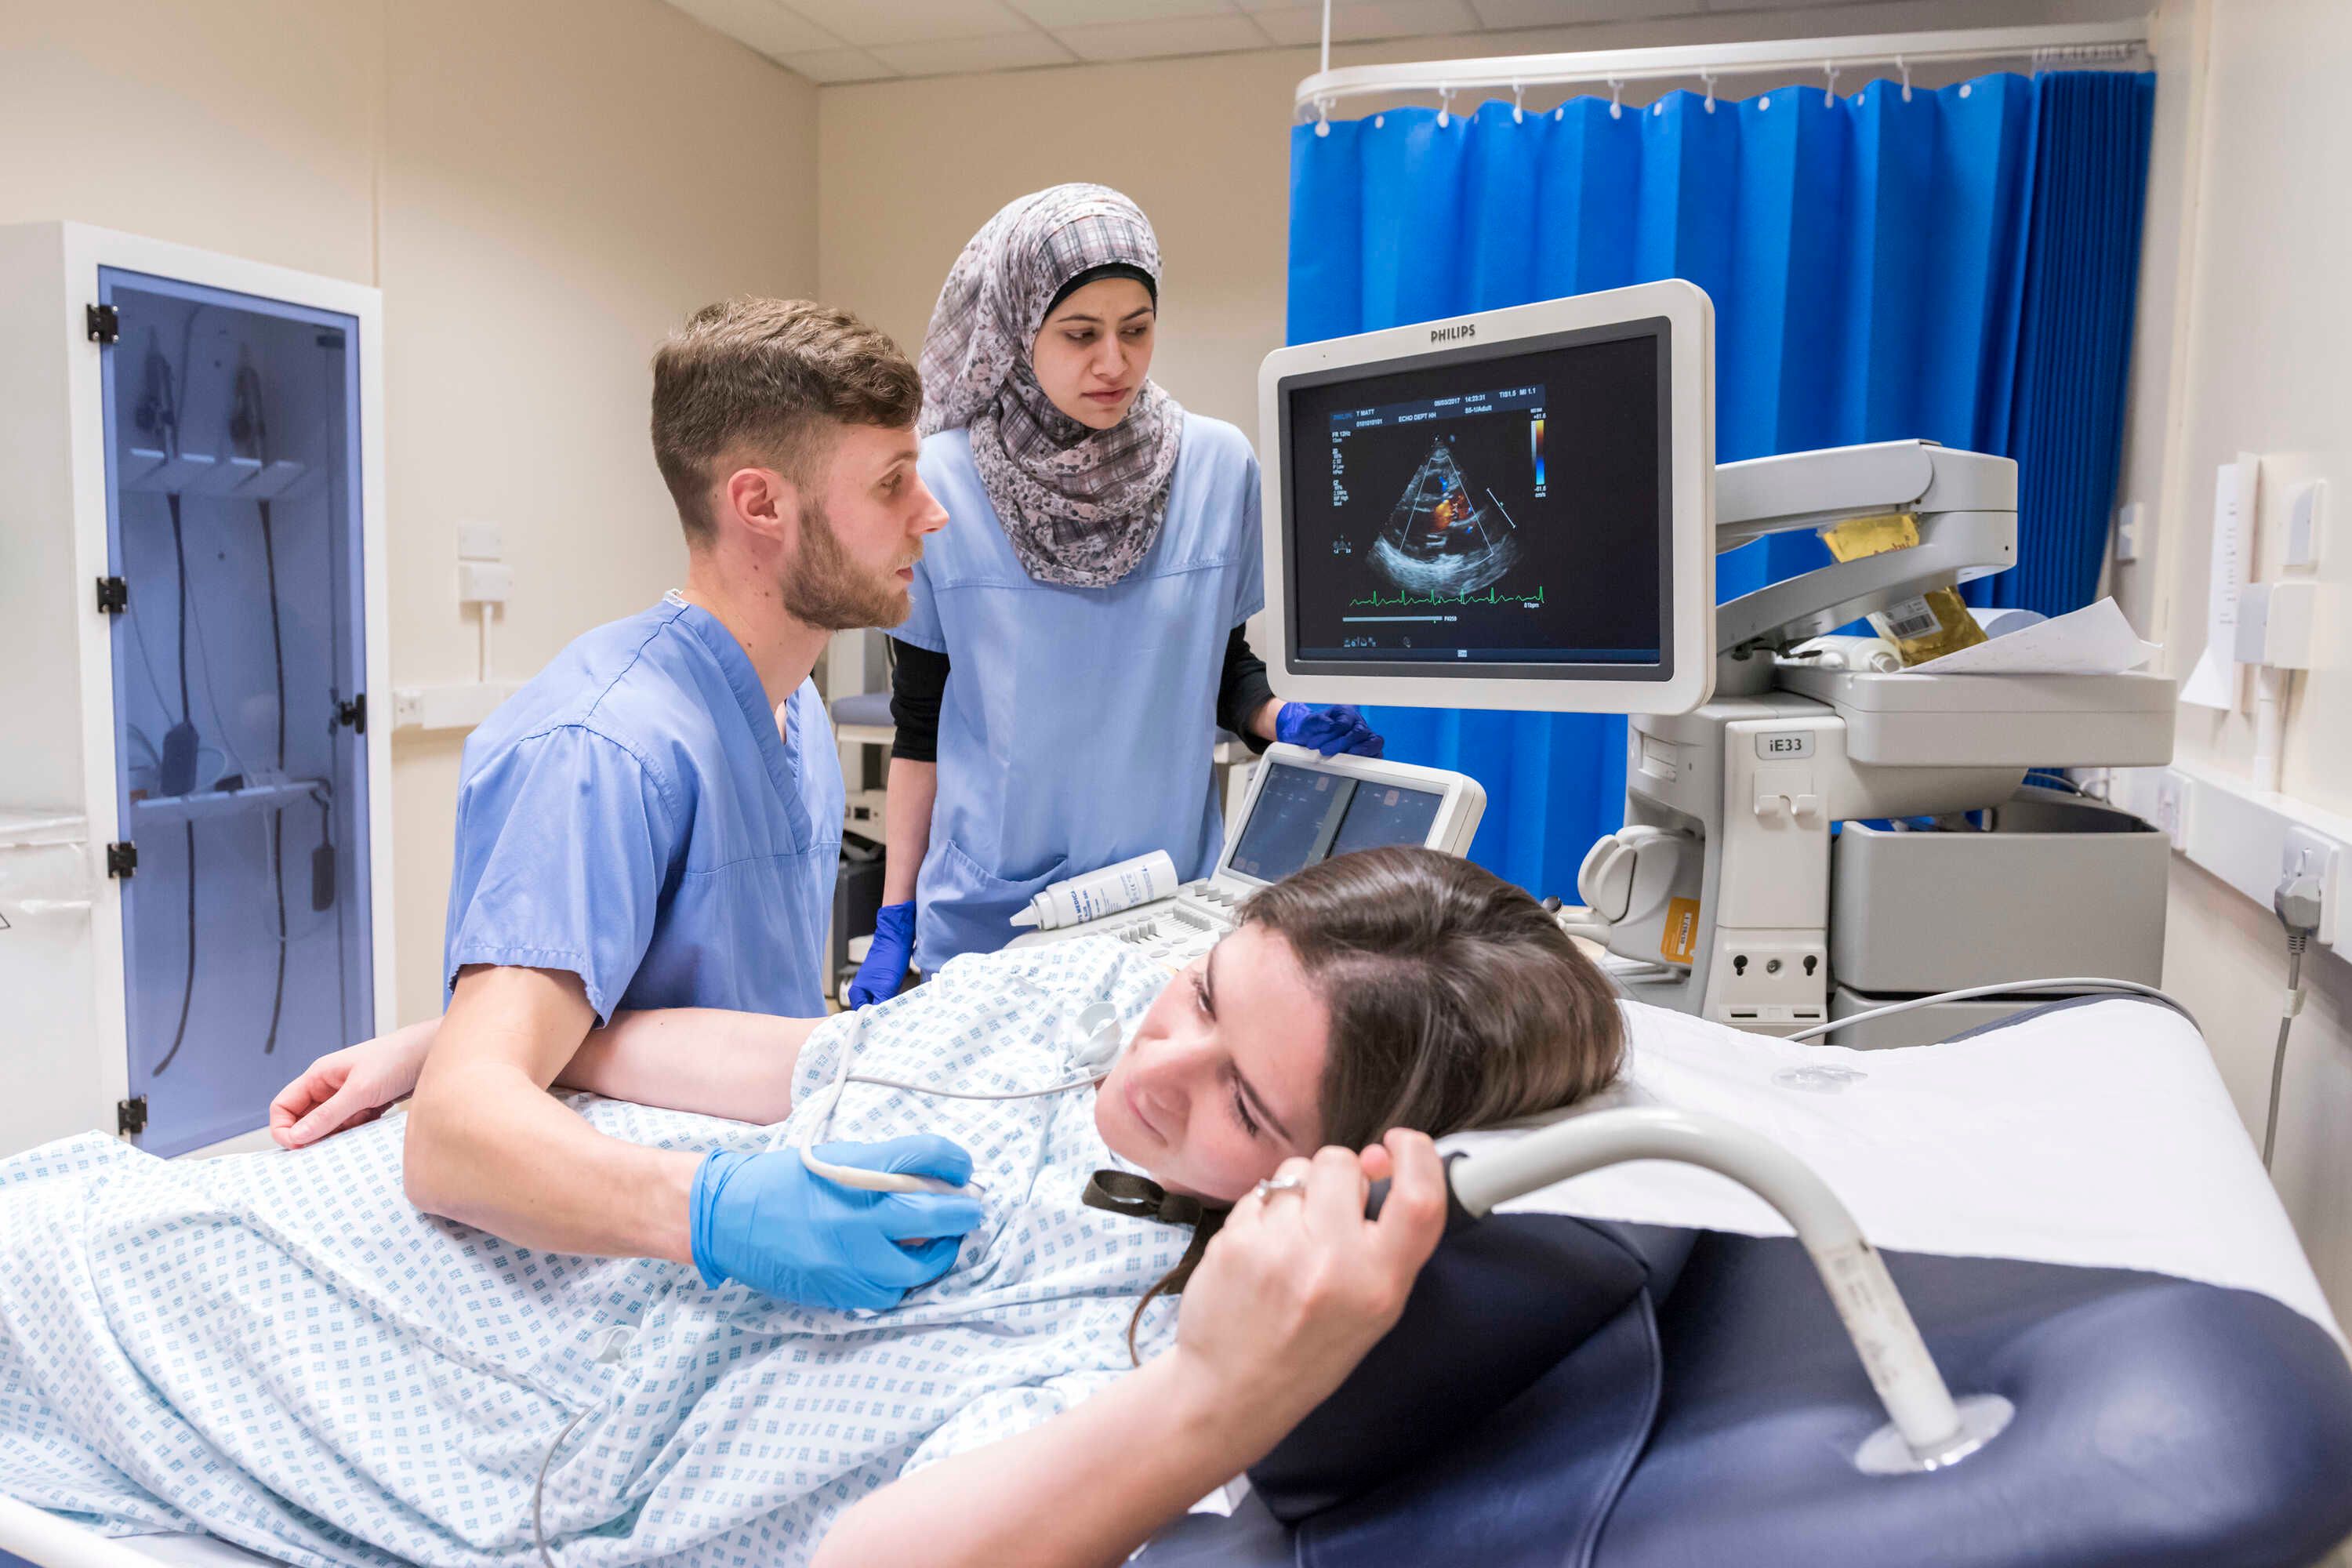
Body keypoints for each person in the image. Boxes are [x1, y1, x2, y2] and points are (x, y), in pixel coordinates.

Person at [24, 849, 1624, 1566]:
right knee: (75, 1208)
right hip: (450, 1214)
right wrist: (467, 1057)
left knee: (51, 1268)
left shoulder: (1143, 1330)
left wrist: (1218, 1396)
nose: (1158, 1067)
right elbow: (795, 1058)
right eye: (1201, 994)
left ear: (1334, 1178)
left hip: (452, 1405)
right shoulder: (1089, 1001)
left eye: (1244, 1105)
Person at [321, 296, 989, 1317]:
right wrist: (722, 1209)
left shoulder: (794, 715)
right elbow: (457, 1138)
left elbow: (636, 1016)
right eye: (893, 482)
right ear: (760, 504)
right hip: (599, 1273)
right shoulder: (599, 749)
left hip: (717, 1253)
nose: (929, 513)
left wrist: (444, 1036)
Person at [848, 184, 1383, 1007]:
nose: (1114, 362)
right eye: (1080, 334)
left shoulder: (1217, 466)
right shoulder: (943, 480)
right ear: (1017, 329)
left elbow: (1219, 668)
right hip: (996, 917)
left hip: (1162, 910)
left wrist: (1281, 719)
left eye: (1137, 329)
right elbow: (919, 727)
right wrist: (895, 915)